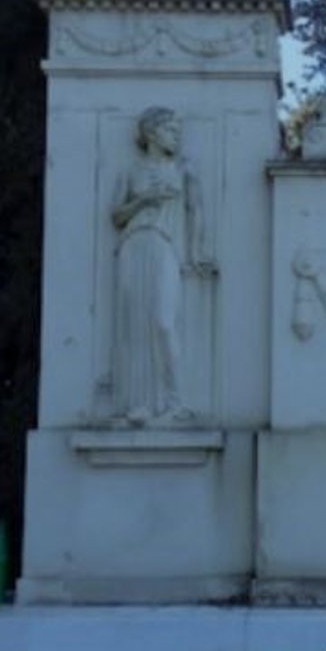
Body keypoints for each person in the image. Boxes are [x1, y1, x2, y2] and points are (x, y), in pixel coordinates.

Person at [112, 107, 204, 424]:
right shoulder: (131, 171)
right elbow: (116, 215)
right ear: (151, 133)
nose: (177, 137)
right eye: (170, 130)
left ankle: (174, 402)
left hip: (165, 245)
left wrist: (195, 253)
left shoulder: (183, 169)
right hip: (133, 245)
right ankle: (138, 405)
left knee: (163, 322)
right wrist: (143, 200)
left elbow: (195, 211)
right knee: (135, 325)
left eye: (178, 131)